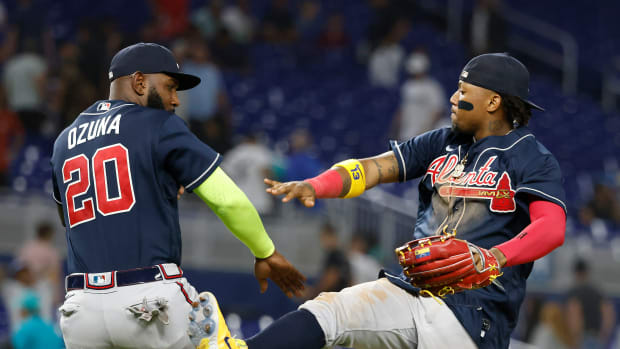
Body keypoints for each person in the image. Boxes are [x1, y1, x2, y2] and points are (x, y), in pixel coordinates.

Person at [197, 53, 567, 349]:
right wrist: (317, 184)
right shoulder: (441, 142)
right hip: (412, 290)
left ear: (493, 101)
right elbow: (374, 168)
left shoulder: (530, 156)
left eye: (463, 90)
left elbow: (551, 228)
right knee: (330, 311)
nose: (454, 98)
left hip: (474, 314)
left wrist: (495, 255)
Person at [49, 42, 305, 349]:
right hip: (148, 302)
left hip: (81, 311)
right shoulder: (158, 124)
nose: (175, 100)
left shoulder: (65, 140)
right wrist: (265, 252)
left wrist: (153, 187)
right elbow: (228, 199)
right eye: (170, 87)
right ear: (139, 81)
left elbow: (71, 217)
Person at [392, 49, 447, 141]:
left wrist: (426, 130)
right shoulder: (407, 86)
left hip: (425, 133)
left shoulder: (432, 87)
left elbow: (438, 111)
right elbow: (403, 110)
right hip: (407, 133)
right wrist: (396, 129)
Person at [566, 259, 616, 349]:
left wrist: (575, 337)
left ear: (576, 273)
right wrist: (604, 333)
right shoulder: (597, 291)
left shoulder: (575, 292)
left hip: (582, 337)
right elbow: (608, 311)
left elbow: (575, 315)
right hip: (597, 336)